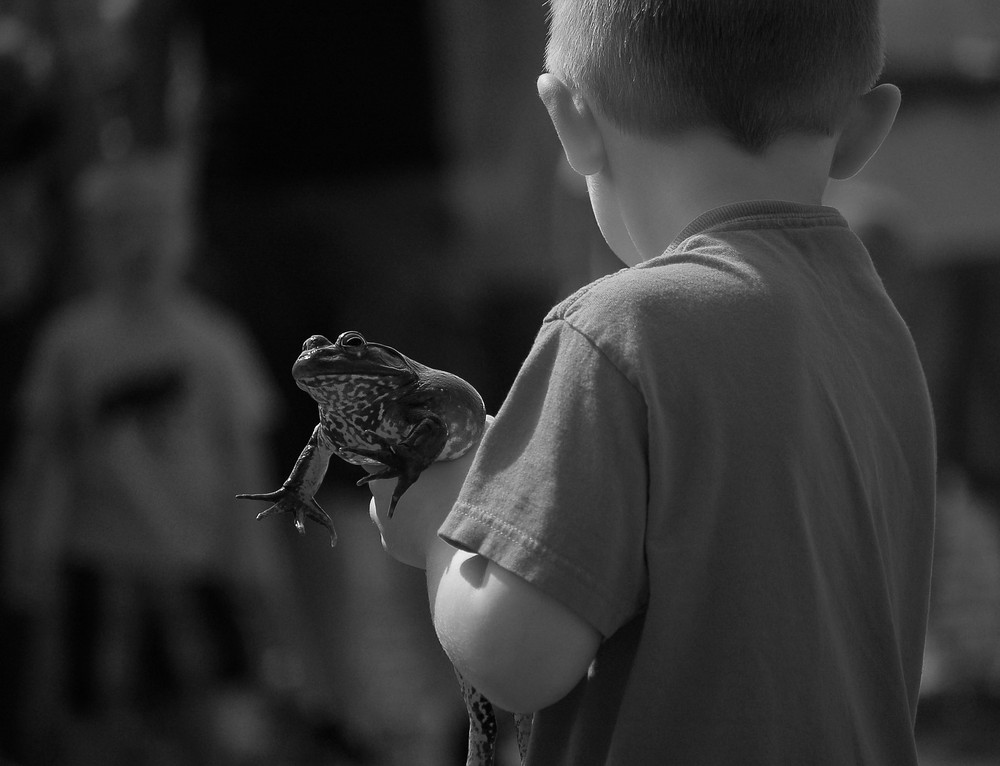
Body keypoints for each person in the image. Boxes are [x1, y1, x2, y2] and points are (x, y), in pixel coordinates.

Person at [368, 1, 936, 764]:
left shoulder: (614, 332)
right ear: (866, 126)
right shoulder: (874, 324)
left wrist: (439, 522)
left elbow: (517, 658)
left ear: (570, 122)